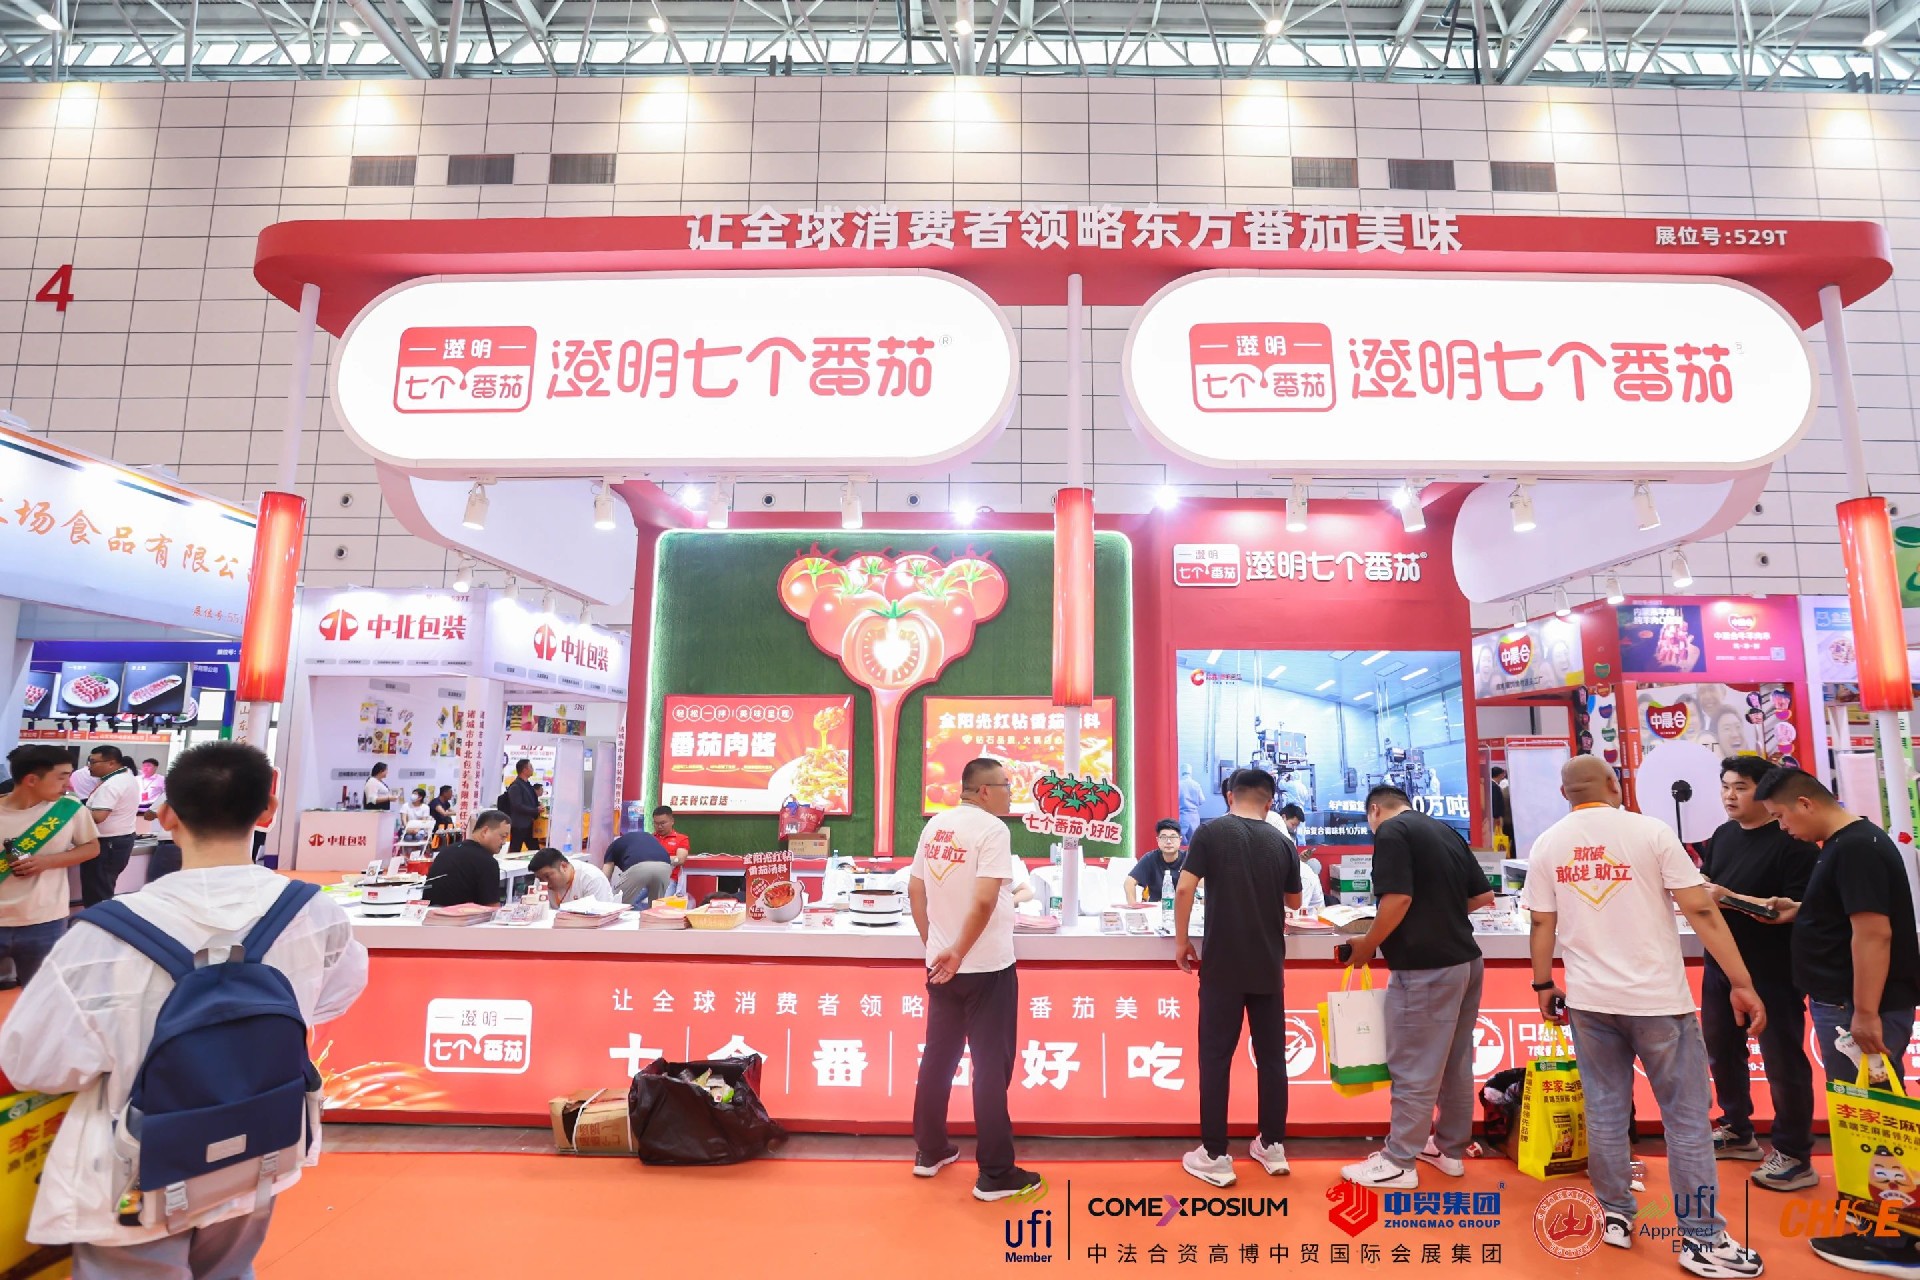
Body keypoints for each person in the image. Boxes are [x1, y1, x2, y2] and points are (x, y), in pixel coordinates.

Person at [0, 740, 368, 1280]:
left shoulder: (106, 932)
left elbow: (35, 1064)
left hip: (135, 1165)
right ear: (267, 812)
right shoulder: (313, 911)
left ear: (168, 815)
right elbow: (334, 996)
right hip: (260, 1146)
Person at [1523, 755, 1764, 1278]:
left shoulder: (1548, 844)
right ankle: (1702, 1239)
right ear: (1614, 784)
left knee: (1605, 1112)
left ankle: (1615, 1214)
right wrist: (1742, 982)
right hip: (1659, 1002)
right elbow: (1701, 909)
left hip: (1590, 1002)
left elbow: (1542, 922)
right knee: (1686, 1121)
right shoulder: (1651, 832)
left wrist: (1543, 983)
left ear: (1565, 794)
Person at [1339, 785, 1494, 1190]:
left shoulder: (1392, 832)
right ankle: (1449, 1149)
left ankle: (1399, 1161)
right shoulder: (1445, 830)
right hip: (1466, 961)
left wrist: (1368, 944)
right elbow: (1483, 895)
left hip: (1426, 967)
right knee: (1455, 1062)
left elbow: (1398, 899)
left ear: (1375, 810)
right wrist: (1438, 915)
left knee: (1413, 1066)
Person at [906, 757, 1041, 1202]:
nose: (1010, 794)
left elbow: (916, 890)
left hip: (942, 966)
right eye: (1006, 786)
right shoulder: (992, 830)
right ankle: (996, 1172)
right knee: (990, 1068)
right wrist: (959, 952)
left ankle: (930, 1151)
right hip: (986, 967)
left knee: (938, 1059)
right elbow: (984, 901)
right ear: (984, 790)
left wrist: (937, 947)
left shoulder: (936, 825)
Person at [1174, 768, 1303, 1188]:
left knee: (1215, 1059)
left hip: (1222, 966)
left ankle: (1214, 1154)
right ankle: (1273, 1145)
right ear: (1270, 802)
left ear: (1230, 796)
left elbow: (1184, 889)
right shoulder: (1282, 842)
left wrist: (1181, 941)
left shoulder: (1211, 833)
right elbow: (1294, 900)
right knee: (1272, 1059)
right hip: (1268, 964)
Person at [1697, 756, 1819, 1192]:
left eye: (1741, 787)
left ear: (1766, 793)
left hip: (1773, 970)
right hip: (1720, 964)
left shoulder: (1793, 842)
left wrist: (1727, 896)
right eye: (1725, 786)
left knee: (1782, 1060)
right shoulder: (1722, 835)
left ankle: (1794, 1152)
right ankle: (1737, 1129)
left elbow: (1797, 911)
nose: (1730, 795)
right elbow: (1708, 890)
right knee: (1721, 1050)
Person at [1758, 768, 1920, 1089]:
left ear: (1805, 803)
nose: (1782, 827)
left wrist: (1866, 1013)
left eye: (1780, 816)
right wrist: (1802, 911)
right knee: (1861, 1102)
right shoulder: (1844, 842)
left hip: (1854, 1004)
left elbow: (1874, 934)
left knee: (1867, 1103)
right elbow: (1850, 911)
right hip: (1845, 1002)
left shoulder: (1854, 848)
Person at [0, 744, 101, 989]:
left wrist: (47, 862)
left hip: (45, 921)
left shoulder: (70, 810)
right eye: (61, 777)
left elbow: (91, 847)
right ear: (31, 780)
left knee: (45, 995)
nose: (69, 784)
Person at [81, 745, 139, 906]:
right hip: (120, 840)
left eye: (93, 762)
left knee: (97, 893)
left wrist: (74, 812)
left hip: (107, 844)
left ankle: (96, 921)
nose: (89, 766)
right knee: (102, 888)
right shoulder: (126, 776)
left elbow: (98, 816)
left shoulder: (112, 784)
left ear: (111, 763)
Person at [424, 810, 510, 908]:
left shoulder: (446, 851)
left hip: (429, 914)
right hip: (462, 916)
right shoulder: (487, 862)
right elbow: (492, 909)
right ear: (485, 831)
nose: (504, 842)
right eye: (503, 836)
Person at [603, 827, 676, 905]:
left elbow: (604, 878)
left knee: (618, 905)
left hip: (638, 866)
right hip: (664, 866)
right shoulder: (648, 838)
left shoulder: (613, 846)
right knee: (656, 907)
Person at [1127, 819, 1188, 903]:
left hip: (1185, 907)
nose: (1168, 842)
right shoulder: (1150, 858)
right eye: (1164, 837)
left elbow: (1203, 882)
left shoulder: (1188, 858)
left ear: (1180, 840)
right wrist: (1133, 906)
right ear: (1158, 840)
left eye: (1173, 837)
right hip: (1157, 908)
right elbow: (1129, 883)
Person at [527, 847, 616, 904]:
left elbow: (599, 916)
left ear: (563, 866)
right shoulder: (541, 879)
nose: (544, 883)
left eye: (548, 876)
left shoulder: (592, 879)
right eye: (540, 879)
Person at [502, 761, 539, 852]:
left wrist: (537, 806)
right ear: (524, 770)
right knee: (515, 849)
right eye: (530, 767)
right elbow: (517, 805)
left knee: (534, 849)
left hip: (528, 823)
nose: (532, 769)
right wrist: (535, 810)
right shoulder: (516, 786)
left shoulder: (527, 784)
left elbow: (529, 801)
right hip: (519, 824)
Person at [1177, 764, 1205, 843]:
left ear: (1181, 772)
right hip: (1194, 816)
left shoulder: (1178, 784)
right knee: (1194, 842)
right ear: (1190, 772)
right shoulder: (1196, 784)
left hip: (1182, 816)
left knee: (1181, 842)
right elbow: (1202, 800)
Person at [1489, 766, 1514, 849]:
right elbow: (1495, 802)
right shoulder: (1494, 786)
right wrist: (1496, 817)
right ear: (1499, 775)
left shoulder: (1493, 785)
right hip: (1498, 817)